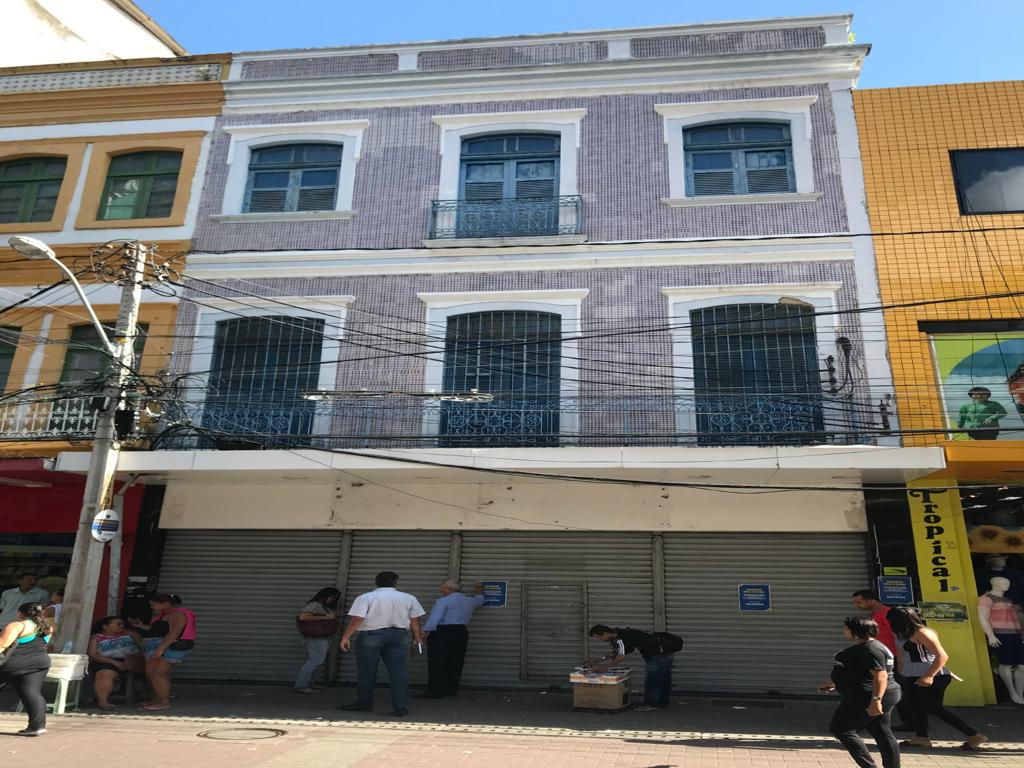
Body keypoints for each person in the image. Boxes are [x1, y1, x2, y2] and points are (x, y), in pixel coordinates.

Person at [886, 607, 987, 751]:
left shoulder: (922, 632)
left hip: (933, 675)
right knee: (914, 706)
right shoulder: (900, 633)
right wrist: (899, 674)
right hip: (911, 675)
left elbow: (942, 656)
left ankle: (975, 736)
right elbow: (902, 656)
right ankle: (922, 737)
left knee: (933, 707)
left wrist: (929, 676)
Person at [337, 571, 425, 716]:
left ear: (376, 582)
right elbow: (414, 620)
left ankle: (364, 703)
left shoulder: (365, 597)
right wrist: (417, 637)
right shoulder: (409, 598)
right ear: (395, 583)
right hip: (399, 635)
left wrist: (346, 637)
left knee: (367, 671)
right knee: (398, 672)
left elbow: (358, 619)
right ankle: (400, 707)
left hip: (371, 635)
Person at [820, 616, 901, 768]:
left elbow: (881, 675)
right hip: (880, 692)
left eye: (846, 628)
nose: (843, 631)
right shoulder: (874, 646)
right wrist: (835, 682)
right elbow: (860, 670)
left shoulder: (870, 649)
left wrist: (876, 701)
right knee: (880, 730)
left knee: (841, 729)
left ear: (856, 632)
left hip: (867, 695)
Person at [127, 593, 196, 712]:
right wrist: (141, 626)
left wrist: (160, 649)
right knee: (153, 674)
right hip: (157, 646)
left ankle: (164, 702)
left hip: (167, 647)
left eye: (154, 604)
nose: (152, 607)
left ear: (165, 604)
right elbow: (157, 630)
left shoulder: (178, 614)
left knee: (159, 674)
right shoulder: (165, 614)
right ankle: (158, 699)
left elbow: (174, 633)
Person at [588, 624, 681, 711]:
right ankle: (662, 702)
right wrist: (596, 661)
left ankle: (652, 704)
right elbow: (616, 652)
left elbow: (620, 657)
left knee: (653, 679)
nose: (600, 639)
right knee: (663, 678)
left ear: (605, 633)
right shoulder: (620, 634)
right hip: (664, 652)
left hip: (657, 654)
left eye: (598, 637)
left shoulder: (619, 638)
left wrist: (604, 668)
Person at [417, 579, 485, 699]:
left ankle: (435, 691)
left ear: (448, 589)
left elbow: (435, 618)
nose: (441, 590)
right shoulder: (469, 600)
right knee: (456, 661)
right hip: (461, 632)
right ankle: (451, 690)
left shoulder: (443, 601)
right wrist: (478, 590)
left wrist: (424, 632)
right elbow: (479, 600)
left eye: (442, 588)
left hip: (443, 633)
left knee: (437, 662)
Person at [0, 602, 53, 735]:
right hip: (40, 663)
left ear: (20, 613)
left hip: (14, 663)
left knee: (30, 693)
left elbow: (2, 645)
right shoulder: (47, 626)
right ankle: (37, 726)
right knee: (32, 693)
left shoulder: (18, 625)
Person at [87, 616, 143, 710]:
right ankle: (103, 702)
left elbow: (142, 646)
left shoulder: (130, 634)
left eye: (122, 624)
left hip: (132, 660)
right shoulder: (96, 638)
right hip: (107, 661)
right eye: (118, 624)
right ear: (105, 627)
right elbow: (93, 654)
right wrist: (115, 663)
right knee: (104, 674)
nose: (121, 626)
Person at [294, 587, 341, 694]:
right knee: (314, 660)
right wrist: (327, 617)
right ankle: (301, 685)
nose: (333, 600)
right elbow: (303, 617)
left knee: (316, 660)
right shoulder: (315, 604)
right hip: (315, 637)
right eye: (333, 597)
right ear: (326, 595)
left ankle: (309, 683)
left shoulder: (322, 606)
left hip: (320, 636)